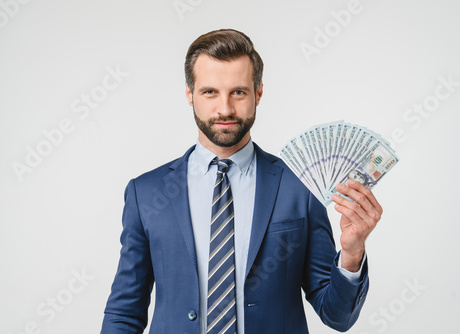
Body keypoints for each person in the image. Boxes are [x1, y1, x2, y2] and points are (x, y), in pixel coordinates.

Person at [101, 29, 383, 334]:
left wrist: (352, 253)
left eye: (238, 92)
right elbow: (124, 312)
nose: (225, 109)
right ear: (189, 94)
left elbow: (337, 316)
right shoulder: (146, 193)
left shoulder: (299, 188)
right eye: (210, 92)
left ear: (258, 93)